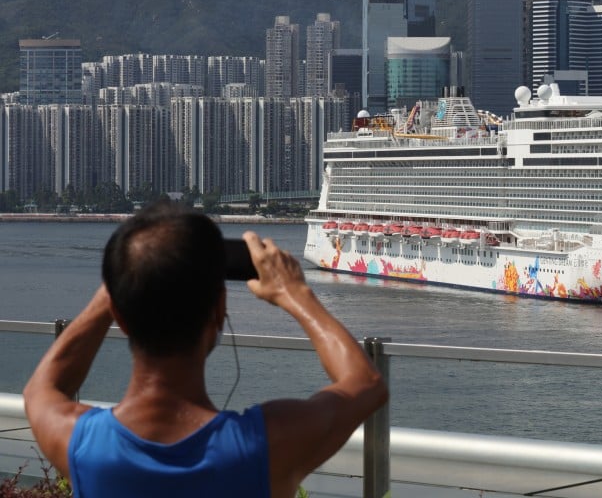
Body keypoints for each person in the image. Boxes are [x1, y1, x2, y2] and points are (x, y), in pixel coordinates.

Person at [23, 202, 388, 497]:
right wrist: (295, 294)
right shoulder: (266, 445)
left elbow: (42, 388)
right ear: (218, 312)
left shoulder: (83, 444)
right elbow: (365, 383)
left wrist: (117, 289)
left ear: (120, 314)